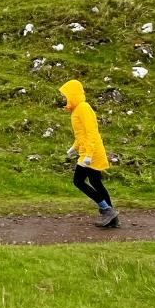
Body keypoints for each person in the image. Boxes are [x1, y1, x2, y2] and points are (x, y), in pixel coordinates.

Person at [59, 79, 119, 227]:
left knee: (78, 181)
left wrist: (89, 155)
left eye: (66, 95)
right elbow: (81, 135)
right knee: (95, 182)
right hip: (88, 151)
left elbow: (92, 132)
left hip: (91, 153)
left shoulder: (83, 108)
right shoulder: (77, 110)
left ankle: (107, 210)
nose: (64, 98)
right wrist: (74, 147)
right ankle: (113, 219)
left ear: (73, 94)